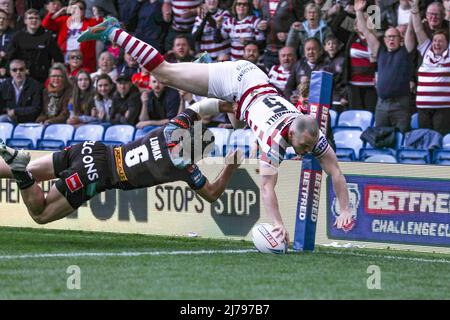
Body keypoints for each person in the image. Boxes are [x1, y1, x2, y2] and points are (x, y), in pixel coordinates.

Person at [77, 17, 354, 242]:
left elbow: (336, 171)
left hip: (248, 94)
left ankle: (207, 67)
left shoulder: (310, 131)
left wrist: (345, 208)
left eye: (308, 148)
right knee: (164, 73)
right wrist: (278, 225)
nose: (306, 152)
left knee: (236, 121)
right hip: (237, 82)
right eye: (303, 147)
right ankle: (114, 31)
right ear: (292, 133)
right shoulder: (275, 143)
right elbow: (267, 188)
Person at [0, 107, 242, 225]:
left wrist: (227, 106)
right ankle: (20, 170)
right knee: (40, 214)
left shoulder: (170, 127)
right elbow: (211, 194)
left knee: (27, 169)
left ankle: (19, 166)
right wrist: (230, 166)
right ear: (196, 154)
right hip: (97, 174)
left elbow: (200, 108)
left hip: (92, 149)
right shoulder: (183, 166)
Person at [355, 0, 413, 133]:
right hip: (381, 104)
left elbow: (410, 31)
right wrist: (358, 12)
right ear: (385, 39)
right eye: (388, 37)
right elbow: (366, 31)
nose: (391, 39)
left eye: (394, 37)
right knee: (380, 137)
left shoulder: (405, 51)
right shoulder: (379, 51)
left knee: (402, 138)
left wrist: (413, 10)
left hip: (401, 104)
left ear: (400, 39)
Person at [406, 0, 450, 135]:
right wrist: (414, 9)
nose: (437, 43)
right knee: (425, 138)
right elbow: (418, 29)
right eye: (435, 40)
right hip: (423, 106)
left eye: (441, 41)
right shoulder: (426, 50)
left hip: (443, 107)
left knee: (440, 138)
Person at [7, 8, 64, 84]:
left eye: (36, 18)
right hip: (22, 77)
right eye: (30, 18)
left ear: (40, 21)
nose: (34, 20)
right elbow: (10, 58)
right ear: (25, 21)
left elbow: (59, 58)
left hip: (42, 78)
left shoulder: (47, 37)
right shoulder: (18, 37)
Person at [0, 59, 42, 123]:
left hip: (28, 121)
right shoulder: (4, 85)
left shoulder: (35, 85)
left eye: (21, 69)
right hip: (9, 119)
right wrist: (6, 111)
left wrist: (15, 111)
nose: (18, 72)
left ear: (25, 71)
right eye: (14, 70)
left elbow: (36, 108)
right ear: (10, 72)